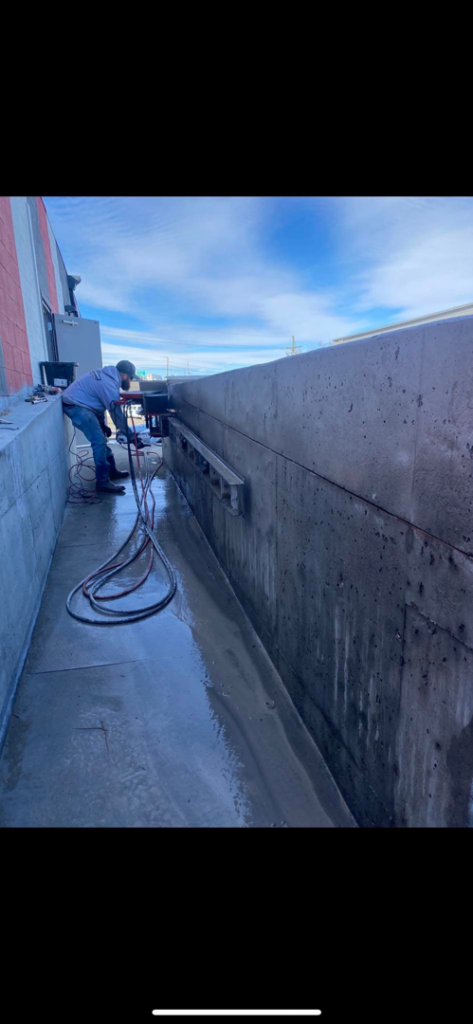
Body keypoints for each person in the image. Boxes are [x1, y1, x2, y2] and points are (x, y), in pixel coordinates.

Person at [62, 360, 144, 493]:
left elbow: (95, 402)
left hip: (82, 404)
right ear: (124, 375)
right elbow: (115, 412)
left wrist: (102, 424)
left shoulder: (106, 375)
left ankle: (112, 471)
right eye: (130, 378)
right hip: (76, 406)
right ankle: (102, 482)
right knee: (98, 442)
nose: (129, 381)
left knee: (102, 440)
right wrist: (131, 436)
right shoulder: (108, 383)